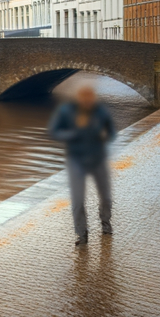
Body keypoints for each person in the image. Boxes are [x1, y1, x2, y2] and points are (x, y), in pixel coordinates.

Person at [47, 83, 116, 246]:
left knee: (106, 197)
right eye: (83, 96)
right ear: (78, 98)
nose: (87, 100)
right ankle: (82, 234)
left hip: (98, 158)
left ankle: (105, 224)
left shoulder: (101, 112)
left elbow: (111, 132)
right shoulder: (66, 111)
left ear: (93, 98)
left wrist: (104, 136)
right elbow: (54, 131)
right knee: (78, 200)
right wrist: (74, 133)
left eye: (89, 96)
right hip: (76, 160)